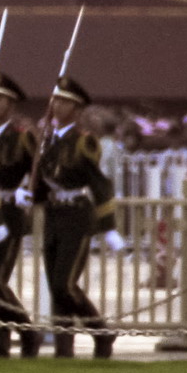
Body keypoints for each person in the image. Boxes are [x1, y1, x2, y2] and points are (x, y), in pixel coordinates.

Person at [34, 74, 125, 358]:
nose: (57, 106)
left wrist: (108, 226)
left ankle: (100, 329)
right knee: (55, 286)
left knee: (65, 283)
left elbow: (100, 184)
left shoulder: (84, 142)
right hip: (53, 214)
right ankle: (64, 350)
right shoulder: (46, 141)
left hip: (76, 216)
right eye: (55, 100)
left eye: (64, 102)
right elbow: (41, 181)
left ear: (76, 109)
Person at [0, 71, 39, 357]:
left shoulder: (22, 137)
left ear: (11, 104)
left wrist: (28, 193)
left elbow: (40, 173)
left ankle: (27, 331)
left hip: (9, 214)